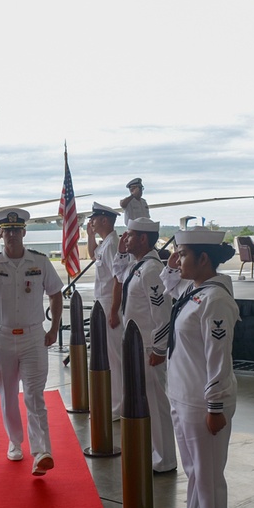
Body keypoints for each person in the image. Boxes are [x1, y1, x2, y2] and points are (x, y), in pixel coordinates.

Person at [161, 227, 239, 508]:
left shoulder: (215, 299)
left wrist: (216, 405)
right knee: (195, 473)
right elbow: (167, 283)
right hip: (183, 396)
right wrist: (174, 258)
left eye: (183, 254)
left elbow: (217, 357)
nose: (176, 260)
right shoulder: (194, 291)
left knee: (207, 477)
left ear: (204, 258)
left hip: (203, 402)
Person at [0, 208, 63, 475]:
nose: (11, 235)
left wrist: (54, 327)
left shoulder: (40, 262)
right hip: (3, 337)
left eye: (15, 230)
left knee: (34, 395)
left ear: (24, 232)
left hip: (33, 336)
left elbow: (56, 293)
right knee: (8, 394)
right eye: (6, 231)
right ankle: (14, 441)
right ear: (1, 234)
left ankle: (42, 451)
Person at [109, 217, 177, 473]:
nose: (124, 239)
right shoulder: (137, 266)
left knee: (157, 405)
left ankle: (164, 460)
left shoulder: (151, 270)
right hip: (138, 348)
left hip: (150, 349)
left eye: (130, 235)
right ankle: (153, 453)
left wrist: (159, 350)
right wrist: (121, 249)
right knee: (145, 403)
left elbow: (163, 315)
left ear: (144, 239)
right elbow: (117, 272)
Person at [86, 201, 124, 420]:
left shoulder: (112, 245)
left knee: (114, 358)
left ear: (104, 220)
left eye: (94, 219)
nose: (91, 222)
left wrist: (113, 311)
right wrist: (90, 235)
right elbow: (93, 255)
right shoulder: (106, 243)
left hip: (110, 302)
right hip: (103, 302)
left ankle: (118, 407)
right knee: (108, 356)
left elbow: (118, 279)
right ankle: (112, 402)